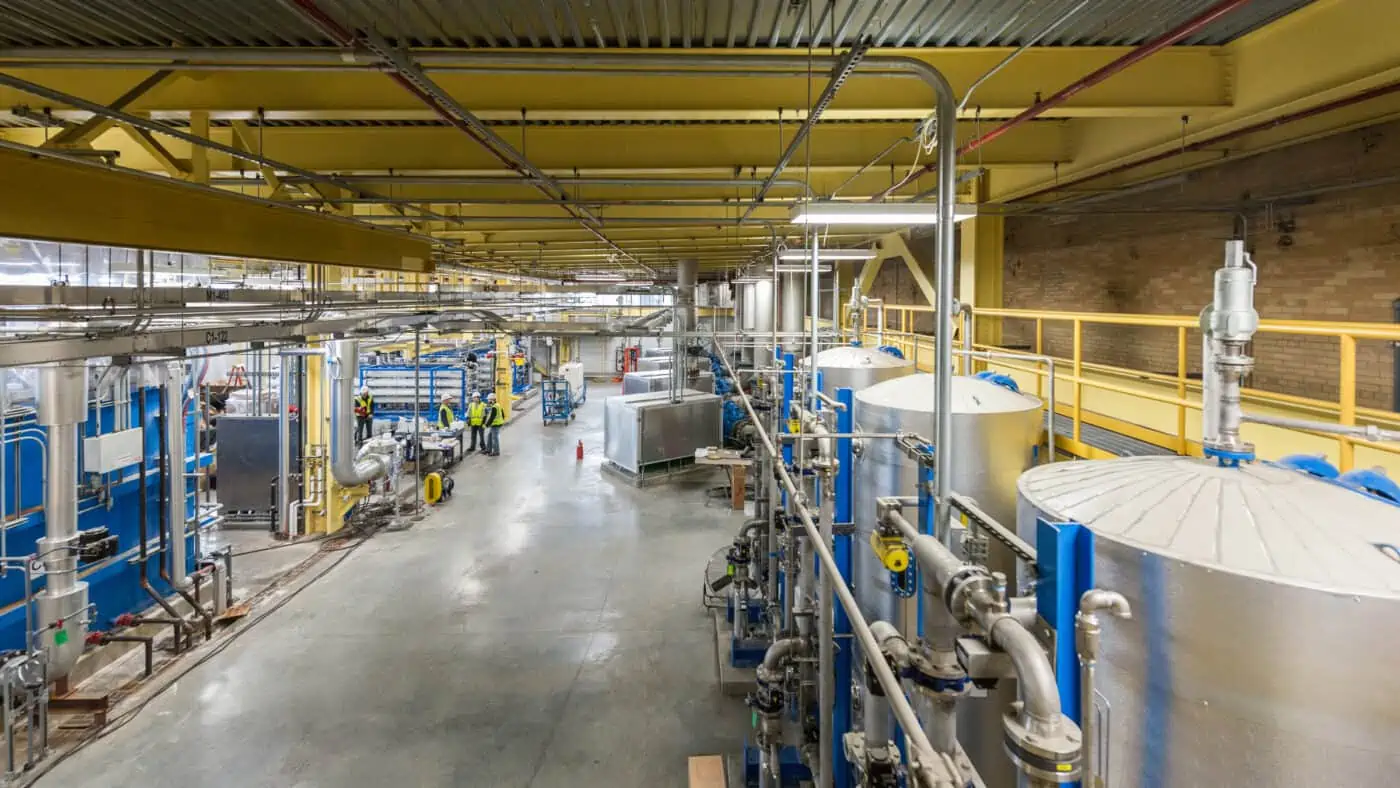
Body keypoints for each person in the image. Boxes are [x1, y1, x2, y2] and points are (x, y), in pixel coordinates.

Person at [484, 392, 506, 456]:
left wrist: (486, 425)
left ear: (493, 399)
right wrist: (501, 421)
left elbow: (492, 418)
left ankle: (496, 452)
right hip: (496, 424)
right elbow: (502, 414)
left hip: (495, 424)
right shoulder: (497, 405)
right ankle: (488, 449)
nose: (488, 401)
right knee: (490, 436)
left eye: (489, 400)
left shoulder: (494, 407)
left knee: (494, 438)